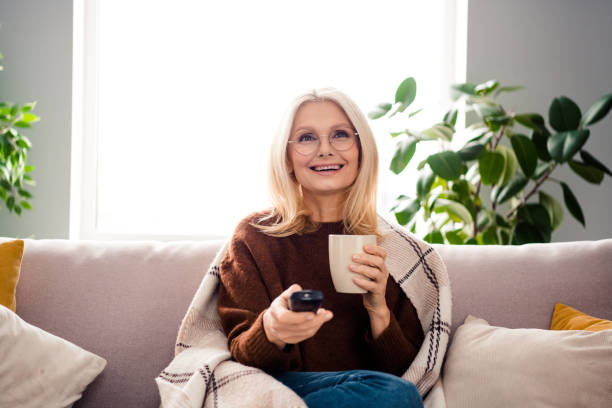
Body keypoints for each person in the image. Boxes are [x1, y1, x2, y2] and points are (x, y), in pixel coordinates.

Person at [216, 88, 424, 408]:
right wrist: (272, 330)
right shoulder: (255, 238)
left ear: (360, 150)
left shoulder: (394, 250)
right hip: (277, 388)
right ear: (286, 158)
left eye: (340, 135)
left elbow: (405, 377)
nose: (325, 150)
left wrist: (378, 309)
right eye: (306, 138)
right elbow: (242, 358)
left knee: (395, 393)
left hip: (365, 393)